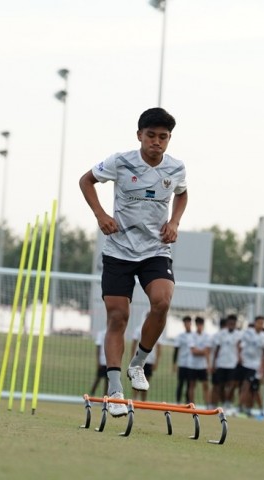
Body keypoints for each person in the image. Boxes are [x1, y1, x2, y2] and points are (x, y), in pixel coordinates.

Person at [78, 107, 188, 417]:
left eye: (163, 137)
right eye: (151, 136)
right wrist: (101, 215)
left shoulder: (176, 168)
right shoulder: (120, 161)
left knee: (162, 302)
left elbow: (182, 194)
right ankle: (114, 390)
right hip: (118, 251)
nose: (156, 142)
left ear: (169, 139)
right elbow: (86, 181)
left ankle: (138, 362)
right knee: (118, 317)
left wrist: (175, 222)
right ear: (139, 135)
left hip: (155, 250)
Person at [238, 316, 264, 416]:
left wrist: (263, 368)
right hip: (245, 364)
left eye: (262, 323)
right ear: (255, 323)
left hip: (255, 366)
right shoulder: (248, 333)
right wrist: (239, 356)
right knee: (246, 387)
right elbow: (239, 343)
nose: (260, 325)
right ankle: (243, 407)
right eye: (259, 322)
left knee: (253, 389)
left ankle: (257, 409)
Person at [210, 315, 241, 412]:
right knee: (220, 386)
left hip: (233, 363)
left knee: (232, 384)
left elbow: (239, 348)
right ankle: (223, 403)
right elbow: (217, 349)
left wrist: (239, 358)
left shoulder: (239, 335)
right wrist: (214, 363)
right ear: (227, 324)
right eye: (230, 323)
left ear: (236, 324)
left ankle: (228, 402)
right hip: (221, 363)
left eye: (233, 324)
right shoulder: (221, 334)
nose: (232, 325)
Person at [130, 316, 162, 401]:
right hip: (138, 359)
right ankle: (135, 399)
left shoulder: (156, 330)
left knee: (146, 381)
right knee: (136, 380)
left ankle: (143, 401)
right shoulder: (138, 329)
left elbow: (159, 347)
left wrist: (156, 361)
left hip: (150, 360)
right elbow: (134, 344)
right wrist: (132, 357)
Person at [189, 316, 212, 407]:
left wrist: (201, 351)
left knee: (205, 385)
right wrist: (203, 351)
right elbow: (193, 351)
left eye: (201, 324)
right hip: (193, 365)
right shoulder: (192, 336)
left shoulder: (207, 336)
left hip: (203, 365)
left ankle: (207, 405)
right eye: (198, 324)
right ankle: (192, 405)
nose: (200, 326)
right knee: (192, 385)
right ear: (196, 325)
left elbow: (207, 351)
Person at [173, 315, 194, 404]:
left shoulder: (194, 335)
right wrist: (174, 363)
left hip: (191, 364)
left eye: (188, 322)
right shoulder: (180, 336)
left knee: (190, 384)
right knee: (181, 383)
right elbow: (176, 350)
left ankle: (188, 402)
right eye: (185, 323)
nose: (187, 324)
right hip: (182, 363)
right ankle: (178, 401)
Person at [88, 328, 108, 397]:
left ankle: (105, 397)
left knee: (107, 380)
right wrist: (98, 361)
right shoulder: (101, 333)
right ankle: (91, 394)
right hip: (102, 360)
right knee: (98, 379)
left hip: (109, 361)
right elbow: (98, 347)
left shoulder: (113, 333)